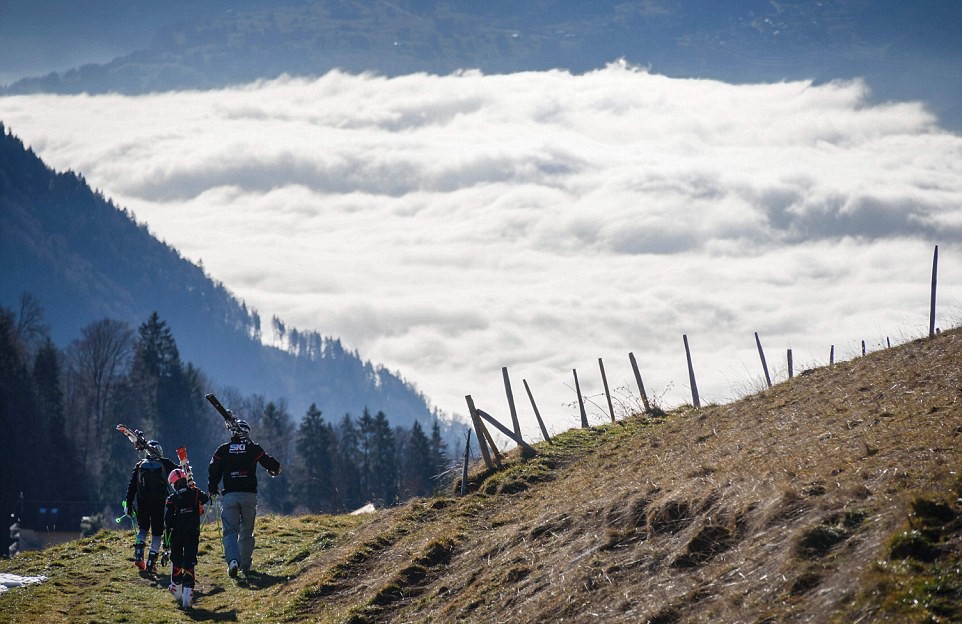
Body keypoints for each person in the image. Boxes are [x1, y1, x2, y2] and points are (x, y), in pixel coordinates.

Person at [207, 419, 282, 577]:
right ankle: (245, 566)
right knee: (247, 532)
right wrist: (275, 467)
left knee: (230, 531)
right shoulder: (253, 448)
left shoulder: (223, 449)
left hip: (230, 496)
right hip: (249, 496)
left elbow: (214, 469)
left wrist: (212, 487)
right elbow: (271, 464)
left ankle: (233, 562)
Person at [124, 440, 178, 573]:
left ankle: (139, 555)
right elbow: (179, 473)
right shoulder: (165, 463)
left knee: (143, 528)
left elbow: (132, 486)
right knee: (157, 532)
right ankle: (151, 563)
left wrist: (128, 503)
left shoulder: (140, 465)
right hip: (159, 503)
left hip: (142, 502)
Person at [164, 468, 210, 609]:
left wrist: (166, 541)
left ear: (174, 484)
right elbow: (205, 498)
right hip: (192, 533)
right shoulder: (195, 492)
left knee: (176, 559)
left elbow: (168, 521)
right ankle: (187, 599)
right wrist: (193, 487)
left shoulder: (172, 499)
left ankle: (176, 589)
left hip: (177, 535)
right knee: (189, 561)